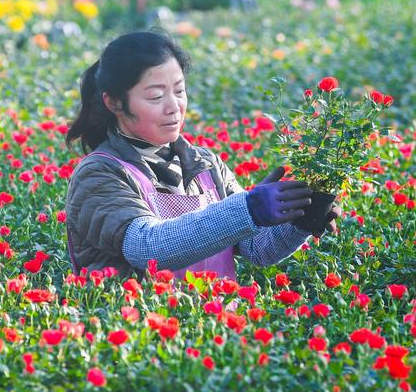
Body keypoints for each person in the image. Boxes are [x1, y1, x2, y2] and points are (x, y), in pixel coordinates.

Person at [65, 30, 336, 279]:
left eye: (179, 91)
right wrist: (248, 209)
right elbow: (148, 248)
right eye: (156, 97)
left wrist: (299, 221)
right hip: (141, 327)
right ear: (113, 102)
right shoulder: (99, 174)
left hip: (213, 329)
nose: (174, 107)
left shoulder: (204, 165)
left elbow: (255, 248)